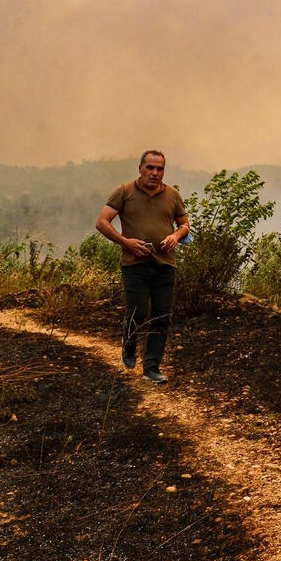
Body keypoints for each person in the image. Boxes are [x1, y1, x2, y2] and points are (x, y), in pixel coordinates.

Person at [95, 149, 189, 384]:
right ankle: (128, 347)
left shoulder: (173, 195)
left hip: (165, 265)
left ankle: (151, 368)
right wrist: (126, 242)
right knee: (138, 313)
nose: (155, 173)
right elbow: (102, 222)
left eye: (159, 169)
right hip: (134, 264)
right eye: (150, 167)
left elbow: (185, 225)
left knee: (162, 316)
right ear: (140, 168)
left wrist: (176, 236)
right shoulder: (124, 192)